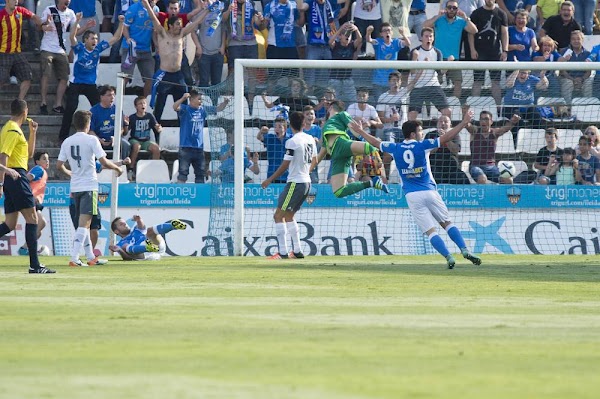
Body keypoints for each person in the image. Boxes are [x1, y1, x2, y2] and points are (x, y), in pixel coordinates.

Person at [355, 112, 481, 268]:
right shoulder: (423, 145)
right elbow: (446, 138)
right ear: (413, 134)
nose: (422, 133)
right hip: (430, 191)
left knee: (431, 232)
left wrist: (360, 131)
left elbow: (376, 142)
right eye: (421, 131)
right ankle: (464, 250)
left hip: (412, 195)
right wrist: (463, 123)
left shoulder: (396, 148)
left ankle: (448, 257)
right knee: (447, 223)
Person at [57, 110, 123, 267]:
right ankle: (74, 257)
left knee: (84, 223)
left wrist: (70, 173)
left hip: (75, 188)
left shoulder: (67, 141)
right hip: (89, 186)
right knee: (84, 224)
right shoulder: (92, 140)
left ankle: (90, 256)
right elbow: (104, 162)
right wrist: (118, 169)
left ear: (75, 123)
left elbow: (59, 166)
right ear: (88, 124)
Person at [0, 100, 54, 273]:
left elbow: (29, 155)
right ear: (25, 112)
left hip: (14, 175)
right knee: (33, 219)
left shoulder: (15, 130)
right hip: (16, 177)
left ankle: (35, 265)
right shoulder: (12, 130)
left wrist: (32, 132)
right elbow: (3, 156)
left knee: (9, 224)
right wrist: (1, 181)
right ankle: (35, 265)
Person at [59, 13, 125, 142]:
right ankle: (62, 136)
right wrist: (77, 21)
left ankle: (98, 135)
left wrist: (121, 22)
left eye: (96, 38)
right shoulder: (79, 49)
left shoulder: (97, 50)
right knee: (71, 107)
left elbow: (116, 38)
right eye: (92, 38)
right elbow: (72, 36)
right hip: (76, 83)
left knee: (99, 107)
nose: (95, 41)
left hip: (90, 84)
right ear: (85, 40)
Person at [261, 111, 318, 259]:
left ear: (290, 124)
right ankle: (297, 251)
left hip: (295, 183)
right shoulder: (310, 139)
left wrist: (269, 180)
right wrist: (305, 172)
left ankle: (283, 252)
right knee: (289, 216)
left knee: (278, 215)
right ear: (304, 124)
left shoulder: (292, 141)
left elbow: (285, 165)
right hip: (306, 182)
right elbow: (315, 160)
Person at [141, 0, 208, 123]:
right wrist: (146, 4)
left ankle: (183, 128)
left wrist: (207, 10)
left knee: (183, 104)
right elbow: (152, 18)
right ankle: (156, 130)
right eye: (177, 24)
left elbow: (196, 22)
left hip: (178, 75)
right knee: (160, 105)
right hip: (164, 75)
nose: (180, 26)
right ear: (170, 26)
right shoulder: (162, 33)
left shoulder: (182, 34)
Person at [315, 100, 390, 197]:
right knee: (338, 192)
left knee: (370, 149)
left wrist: (362, 135)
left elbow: (353, 129)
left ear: (331, 108)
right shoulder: (326, 125)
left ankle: (376, 176)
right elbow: (322, 148)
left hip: (343, 147)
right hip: (336, 156)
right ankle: (371, 183)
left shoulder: (341, 115)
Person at [423, 0, 478, 98]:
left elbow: (474, 30)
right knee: (435, 83)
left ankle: (454, 105)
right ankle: (436, 105)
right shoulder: (439, 20)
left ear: (457, 10)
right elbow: (425, 25)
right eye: (449, 7)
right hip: (438, 57)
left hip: (454, 58)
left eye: (454, 8)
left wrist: (466, 18)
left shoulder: (461, 21)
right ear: (446, 8)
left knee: (458, 83)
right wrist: (437, 16)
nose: (451, 10)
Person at [173, 89, 229, 183]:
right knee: (183, 173)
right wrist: (183, 98)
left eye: (201, 99)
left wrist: (225, 102)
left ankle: (200, 195)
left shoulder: (203, 110)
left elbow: (218, 108)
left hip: (199, 148)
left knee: (200, 174)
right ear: (191, 99)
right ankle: (180, 194)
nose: (201, 101)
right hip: (186, 148)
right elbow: (175, 107)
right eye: (199, 99)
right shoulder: (185, 109)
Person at [38, 0, 77, 115]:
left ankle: (57, 104)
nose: (68, 2)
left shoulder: (71, 13)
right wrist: (45, 27)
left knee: (65, 76)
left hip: (60, 49)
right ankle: (43, 102)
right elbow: (40, 25)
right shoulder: (50, 10)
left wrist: (84, 26)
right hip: (47, 47)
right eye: (65, 1)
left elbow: (76, 31)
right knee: (46, 74)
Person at [0, 0, 45, 100]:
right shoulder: (1, 15)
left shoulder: (20, 11)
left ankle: (19, 102)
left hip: (17, 52)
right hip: (4, 53)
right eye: (14, 1)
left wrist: (42, 24)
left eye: (17, 1)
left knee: (27, 77)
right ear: (7, 1)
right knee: (1, 79)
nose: (16, 3)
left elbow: (34, 17)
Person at [468, 0, 509, 105]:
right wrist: (472, 49)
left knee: (495, 82)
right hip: (479, 52)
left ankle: (498, 109)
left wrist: (505, 50)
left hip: (495, 53)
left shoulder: (501, 13)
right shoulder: (476, 13)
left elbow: (504, 33)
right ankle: (473, 107)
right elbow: (471, 33)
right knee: (477, 81)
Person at [407, 27, 451, 121]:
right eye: (426, 36)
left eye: (431, 36)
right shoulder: (415, 51)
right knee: (412, 115)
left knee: (447, 111)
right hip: (418, 86)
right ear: (421, 38)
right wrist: (415, 58)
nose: (429, 39)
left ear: (433, 38)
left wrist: (449, 63)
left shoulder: (437, 52)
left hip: (433, 85)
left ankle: (446, 132)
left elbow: (441, 72)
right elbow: (412, 71)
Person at [467, 110, 520, 184]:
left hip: (491, 167)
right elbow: (467, 125)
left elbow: (505, 129)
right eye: (482, 119)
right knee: (482, 179)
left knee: (508, 180)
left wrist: (513, 122)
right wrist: (464, 113)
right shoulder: (475, 131)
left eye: (486, 119)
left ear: (491, 121)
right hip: (475, 166)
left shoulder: (494, 133)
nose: (483, 121)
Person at [110, 215, 187, 260]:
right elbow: (127, 258)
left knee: (149, 231)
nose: (125, 224)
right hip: (145, 255)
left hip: (156, 244)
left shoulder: (136, 230)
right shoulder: (120, 244)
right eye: (121, 224)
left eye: (125, 223)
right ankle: (147, 247)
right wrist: (120, 251)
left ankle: (173, 226)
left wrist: (138, 219)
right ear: (116, 231)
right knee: (124, 246)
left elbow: (141, 226)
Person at [365, 22, 410, 100]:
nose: (387, 32)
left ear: (392, 32)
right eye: (385, 30)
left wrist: (403, 34)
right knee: (379, 104)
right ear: (381, 34)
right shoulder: (379, 42)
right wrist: (368, 32)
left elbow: (407, 43)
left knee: (391, 104)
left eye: (389, 30)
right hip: (378, 81)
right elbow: (369, 40)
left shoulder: (396, 42)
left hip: (391, 81)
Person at [17, 151, 49, 256]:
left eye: (48, 159)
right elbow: (27, 178)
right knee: (41, 223)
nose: (47, 161)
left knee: (38, 231)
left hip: (35, 201)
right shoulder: (38, 169)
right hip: (31, 200)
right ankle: (24, 248)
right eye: (44, 158)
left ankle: (26, 249)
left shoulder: (43, 171)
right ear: (37, 161)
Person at [425, 115, 471, 185]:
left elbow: (455, 150)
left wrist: (446, 138)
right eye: (440, 121)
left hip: (451, 167)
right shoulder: (430, 135)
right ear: (437, 124)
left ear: (450, 125)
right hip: (435, 166)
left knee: (462, 178)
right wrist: (439, 140)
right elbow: (428, 151)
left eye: (446, 122)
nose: (443, 123)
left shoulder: (455, 135)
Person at [90, 85, 131, 159]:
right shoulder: (93, 111)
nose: (112, 97)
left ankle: (123, 166)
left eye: (113, 95)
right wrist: (99, 139)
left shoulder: (117, 109)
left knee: (125, 145)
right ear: (102, 97)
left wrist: (115, 137)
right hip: (99, 139)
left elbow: (121, 129)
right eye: (109, 95)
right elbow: (90, 131)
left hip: (114, 139)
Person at [127, 96, 162, 180]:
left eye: (144, 103)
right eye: (140, 103)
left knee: (156, 148)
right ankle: (130, 170)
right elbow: (126, 131)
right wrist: (126, 124)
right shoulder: (132, 117)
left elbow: (157, 127)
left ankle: (154, 170)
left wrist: (159, 128)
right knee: (136, 146)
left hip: (146, 140)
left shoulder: (150, 116)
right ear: (136, 106)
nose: (143, 105)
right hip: (134, 139)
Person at [327, 21, 361, 104]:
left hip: (347, 78)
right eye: (345, 35)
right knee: (334, 101)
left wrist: (356, 29)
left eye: (349, 36)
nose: (347, 37)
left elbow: (359, 39)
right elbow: (330, 42)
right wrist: (341, 28)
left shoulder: (352, 46)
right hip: (335, 78)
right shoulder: (336, 45)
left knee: (353, 100)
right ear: (340, 36)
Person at [559, 30, 592, 104]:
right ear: (570, 41)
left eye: (578, 39)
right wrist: (572, 79)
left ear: (582, 40)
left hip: (582, 79)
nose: (576, 41)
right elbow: (562, 71)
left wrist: (581, 79)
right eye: (573, 39)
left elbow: (589, 72)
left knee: (588, 83)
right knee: (568, 83)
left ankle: (587, 107)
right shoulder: (565, 52)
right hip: (568, 78)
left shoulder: (587, 53)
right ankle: (567, 108)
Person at [257, 116, 292, 183]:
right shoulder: (270, 138)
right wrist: (261, 131)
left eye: (279, 127)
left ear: (285, 128)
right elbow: (259, 137)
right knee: (274, 193)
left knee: (289, 193)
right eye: (275, 127)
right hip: (272, 175)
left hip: (288, 175)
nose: (277, 129)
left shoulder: (291, 138)